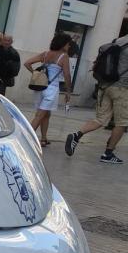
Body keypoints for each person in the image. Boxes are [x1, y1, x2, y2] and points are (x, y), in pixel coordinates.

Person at [65, 34, 128, 164]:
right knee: (122, 123)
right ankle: (108, 154)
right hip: (122, 88)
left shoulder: (118, 41)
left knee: (100, 119)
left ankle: (76, 135)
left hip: (105, 85)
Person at [23, 33, 73, 146]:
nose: (69, 46)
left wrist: (36, 74)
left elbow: (27, 63)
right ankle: (26, 139)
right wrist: (68, 91)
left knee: (46, 114)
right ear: (63, 44)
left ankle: (43, 139)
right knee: (40, 115)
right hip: (51, 89)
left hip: (40, 86)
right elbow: (67, 74)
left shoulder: (45, 54)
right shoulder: (64, 56)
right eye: (68, 44)